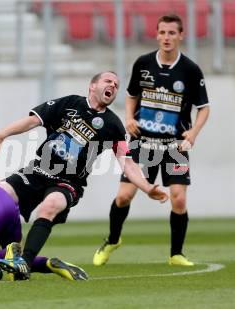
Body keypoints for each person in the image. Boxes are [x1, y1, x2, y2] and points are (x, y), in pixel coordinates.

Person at [0, 71, 169, 280]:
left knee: (49, 206)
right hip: (37, 171)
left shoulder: (113, 124)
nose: (113, 86)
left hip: (68, 182)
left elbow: (126, 161)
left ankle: (24, 263)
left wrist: (146, 187)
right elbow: (32, 121)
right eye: (108, 81)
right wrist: (1, 134)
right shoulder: (70, 103)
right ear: (92, 86)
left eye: (116, 85)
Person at [93, 14, 210, 267]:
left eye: (171, 33)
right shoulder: (143, 63)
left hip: (174, 147)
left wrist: (193, 132)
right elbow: (132, 95)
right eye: (162, 33)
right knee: (124, 197)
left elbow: (204, 108)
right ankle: (112, 240)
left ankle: (176, 254)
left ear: (180, 36)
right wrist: (128, 118)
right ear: (156, 35)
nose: (166, 38)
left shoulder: (190, 70)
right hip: (142, 143)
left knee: (178, 198)